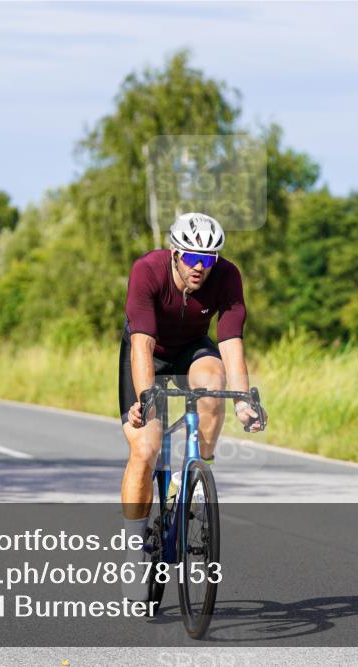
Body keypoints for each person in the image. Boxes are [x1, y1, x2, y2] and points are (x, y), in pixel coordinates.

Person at [117, 212, 267, 596]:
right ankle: (134, 552)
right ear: (174, 252)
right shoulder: (147, 271)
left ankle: (195, 473)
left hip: (193, 349)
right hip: (150, 351)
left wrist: (243, 402)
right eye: (192, 258)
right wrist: (146, 398)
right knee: (146, 449)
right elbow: (142, 344)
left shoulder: (227, 276)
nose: (201, 267)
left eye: (209, 258)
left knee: (214, 386)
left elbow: (231, 339)